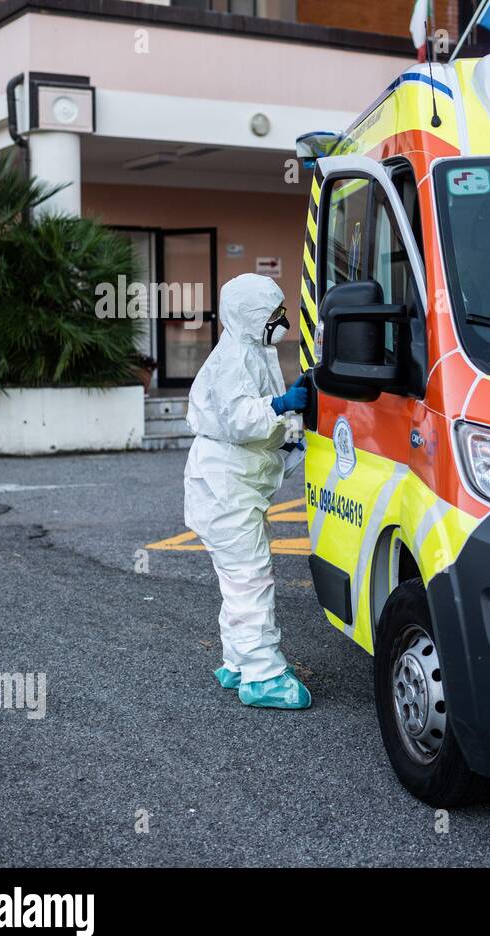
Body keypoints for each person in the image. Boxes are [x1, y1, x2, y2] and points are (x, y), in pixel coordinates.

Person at [183, 273, 311, 710]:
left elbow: (263, 423)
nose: (282, 320)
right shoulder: (236, 356)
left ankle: (238, 661)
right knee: (250, 578)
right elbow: (241, 420)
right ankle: (263, 675)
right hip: (225, 489)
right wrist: (282, 407)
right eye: (275, 313)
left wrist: (292, 431)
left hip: (229, 486)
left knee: (237, 578)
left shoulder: (254, 350)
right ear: (254, 315)